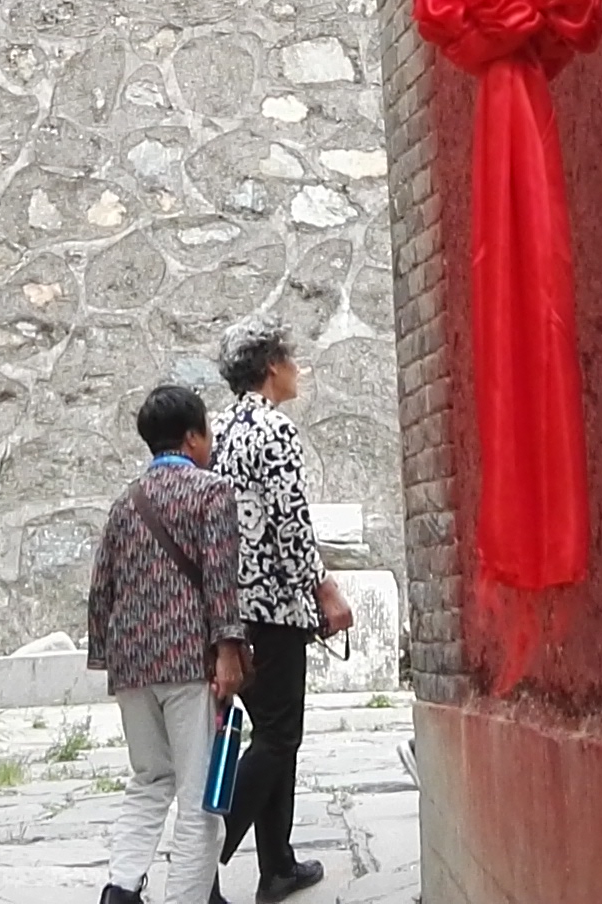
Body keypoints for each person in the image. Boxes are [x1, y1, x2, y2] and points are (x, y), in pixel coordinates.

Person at [86, 382, 250, 904]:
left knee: (149, 778)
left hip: (132, 665)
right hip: (188, 663)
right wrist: (228, 651)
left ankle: (121, 887)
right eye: (207, 433)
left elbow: (102, 587)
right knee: (200, 799)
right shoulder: (211, 492)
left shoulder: (124, 503)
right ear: (192, 436)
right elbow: (222, 580)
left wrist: (106, 656)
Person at [212, 327, 354, 902]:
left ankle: (278, 865)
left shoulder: (215, 430)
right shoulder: (275, 431)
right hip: (272, 607)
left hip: (225, 607)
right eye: (292, 359)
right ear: (272, 366)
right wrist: (323, 589)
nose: (299, 369)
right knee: (277, 736)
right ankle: (202, 856)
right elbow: (291, 524)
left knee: (270, 734)